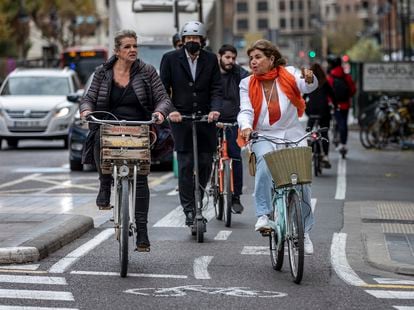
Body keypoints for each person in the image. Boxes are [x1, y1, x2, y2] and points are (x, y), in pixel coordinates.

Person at [79, 29, 173, 252]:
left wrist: (159, 113)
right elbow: (89, 98)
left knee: (140, 178)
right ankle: (104, 186)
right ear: (117, 51)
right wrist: (85, 111)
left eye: (135, 46)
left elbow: (163, 98)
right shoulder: (103, 73)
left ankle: (142, 231)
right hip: (109, 123)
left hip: (139, 127)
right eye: (127, 47)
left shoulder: (147, 71)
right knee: (99, 136)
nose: (132, 50)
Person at [237, 39, 318, 255]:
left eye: (258, 57)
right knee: (264, 165)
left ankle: (305, 232)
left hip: (293, 135)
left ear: (271, 59)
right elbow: (245, 110)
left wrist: (310, 78)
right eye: (251, 58)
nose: (253, 62)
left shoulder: (289, 73)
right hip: (263, 135)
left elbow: (306, 85)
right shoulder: (246, 84)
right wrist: (245, 126)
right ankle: (264, 215)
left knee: (302, 183)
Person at [160, 21, 222, 226]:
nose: (192, 42)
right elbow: (163, 89)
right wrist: (172, 111)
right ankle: (189, 210)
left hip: (206, 119)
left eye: (195, 39)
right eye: (188, 39)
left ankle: (198, 200)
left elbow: (216, 88)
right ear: (182, 41)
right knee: (186, 165)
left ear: (202, 41)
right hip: (181, 120)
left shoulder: (211, 60)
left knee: (205, 162)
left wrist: (215, 109)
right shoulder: (170, 59)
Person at [217, 44, 250, 213]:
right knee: (207, 156)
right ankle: (211, 183)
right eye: (227, 57)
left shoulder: (239, 73)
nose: (230, 61)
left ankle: (236, 196)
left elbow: (250, 82)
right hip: (212, 121)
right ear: (219, 56)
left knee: (236, 156)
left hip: (233, 121)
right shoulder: (212, 72)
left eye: (233, 58)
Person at [304, 63, 336, 168]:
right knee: (324, 134)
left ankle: (310, 142)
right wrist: (336, 106)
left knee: (309, 130)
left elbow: (303, 97)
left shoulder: (309, 82)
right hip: (324, 111)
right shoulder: (325, 82)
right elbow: (332, 95)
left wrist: (303, 106)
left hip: (311, 110)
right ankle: (325, 156)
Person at [326, 56, 356, 153]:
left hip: (335, 105)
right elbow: (353, 90)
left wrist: (330, 102)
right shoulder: (346, 76)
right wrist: (348, 96)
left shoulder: (331, 77)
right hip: (345, 104)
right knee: (344, 123)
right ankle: (343, 144)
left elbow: (328, 92)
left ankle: (337, 137)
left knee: (339, 122)